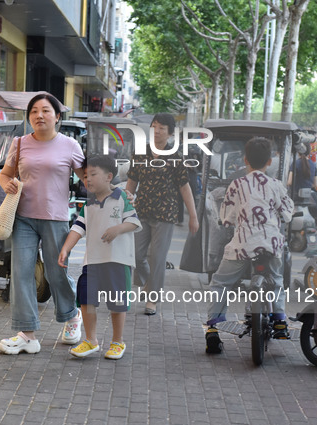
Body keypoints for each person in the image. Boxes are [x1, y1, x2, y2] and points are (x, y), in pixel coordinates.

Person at [0, 93, 85, 355]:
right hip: (22, 217)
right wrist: (7, 184)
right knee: (22, 273)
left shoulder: (70, 146)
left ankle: (71, 316)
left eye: (45, 111)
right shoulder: (20, 143)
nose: (39, 115)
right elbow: (5, 174)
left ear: (57, 117)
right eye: (34, 111)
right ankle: (27, 334)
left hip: (55, 218)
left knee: (55, 273)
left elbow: (89, 178)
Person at [205, 137, 295, 354]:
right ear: (270, 161)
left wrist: (233, 220)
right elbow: (288, 214)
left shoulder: (237, 185)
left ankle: (213, 329)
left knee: (221, 283)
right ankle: (280, 319)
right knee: (277, 281)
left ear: (245, 160)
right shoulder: (276, 185)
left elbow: (226, 216)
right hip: (271, 244)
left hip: (242, 244)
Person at [58, 156, 141, 359]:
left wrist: (118, 229)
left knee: (117, 303)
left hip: (118, 261)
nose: (89, 180)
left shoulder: (122, 198)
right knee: (86, 299)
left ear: (109, 177)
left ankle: (117, 342)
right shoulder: (88, 204)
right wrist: (66, 249)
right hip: (92, 261)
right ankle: (91, 340)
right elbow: (78, 228)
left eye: (93, 174)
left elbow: (135, 223)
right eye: (86, 176)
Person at [125, 113, 199, 315]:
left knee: (157, 258)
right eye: (154, 127)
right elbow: (131, 182)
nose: (156, 131)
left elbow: (185, 187)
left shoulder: (176, 156)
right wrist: (123, 207)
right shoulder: (140, 153)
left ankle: (152, 300)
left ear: (170, 133)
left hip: (166, 214)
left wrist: (193, 215)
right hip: (141, 211)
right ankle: (150, 285)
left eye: (161, 128)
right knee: (137, 256)